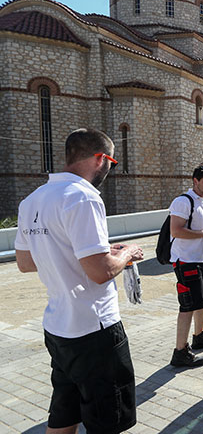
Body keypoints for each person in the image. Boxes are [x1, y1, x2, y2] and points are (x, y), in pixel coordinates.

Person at [14, 128, 144, 434]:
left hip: (58, 329)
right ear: (100, 158)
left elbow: (25, 262)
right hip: (94, 330)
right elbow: (100, 272)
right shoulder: (84, 197)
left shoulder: (32, 200)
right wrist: (127, 253)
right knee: (107, 422)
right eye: (112, 162)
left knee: (64, 414)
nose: (110, 169)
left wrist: (94, 252)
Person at [168, 164, 203, 368]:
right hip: (186, 261)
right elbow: (176, 231)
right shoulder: (183, 201)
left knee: (202, 301)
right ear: (195, 181)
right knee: (188, 305)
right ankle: (180, 352)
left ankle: (199, 337)